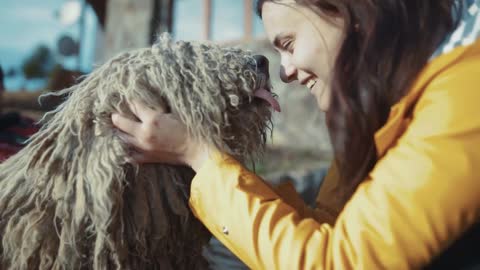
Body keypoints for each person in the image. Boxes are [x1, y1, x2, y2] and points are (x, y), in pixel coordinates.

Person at [111, 0, 480, 268]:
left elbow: (342, 260)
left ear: (348, 13)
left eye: (288, 44)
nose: (284, 72)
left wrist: (199, 155)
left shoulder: (467, 91)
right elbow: (330, 225)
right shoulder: (392, 101)